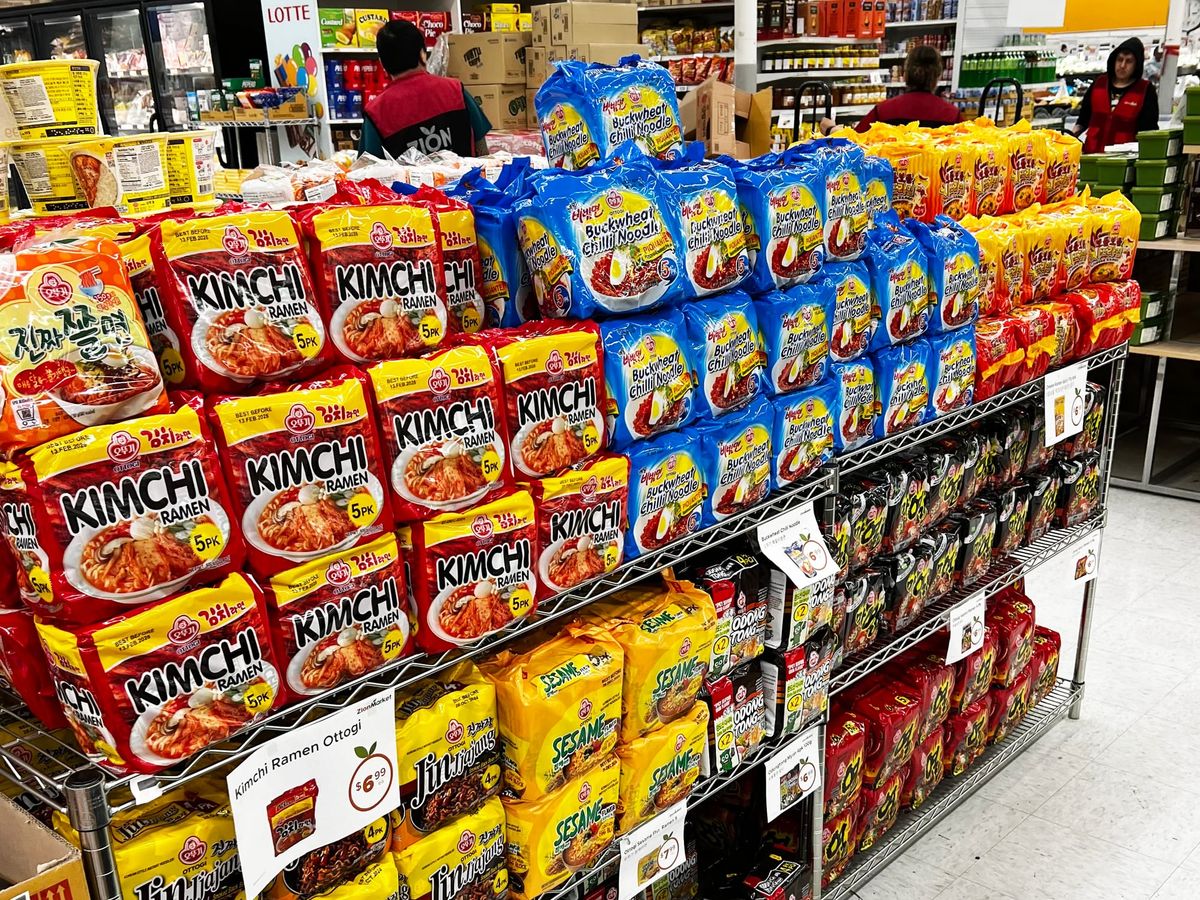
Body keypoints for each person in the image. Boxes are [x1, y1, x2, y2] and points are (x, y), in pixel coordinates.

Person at [359, 20, 490, 158]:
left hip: (407, 180)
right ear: (422, 53)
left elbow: (368, 168)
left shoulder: (376, 112)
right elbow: (482, 149)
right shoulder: (455, 89)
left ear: (382, 63)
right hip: (466, 179)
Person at [1074, 38, 1159, 153]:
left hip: (1123, 161)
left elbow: (1149, 131)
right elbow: (1083, 120)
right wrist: (1068, 138)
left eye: (1129, 61)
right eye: (1120, 60)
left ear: (1137, 64)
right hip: (1091, 155)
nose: (1122, 65)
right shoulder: (1099, 84)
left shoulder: (1145, 90)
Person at [854, 46, 962, 131]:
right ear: (938, 75)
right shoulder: (952, 115)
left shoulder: (883, 111)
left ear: (905, 74)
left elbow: (854, 143)